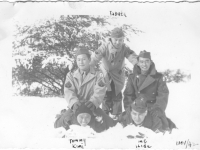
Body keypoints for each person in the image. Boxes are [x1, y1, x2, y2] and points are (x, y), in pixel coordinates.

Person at [54, 47, 116, 133]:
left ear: (89, 59)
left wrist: (93, 102)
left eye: (84, 59)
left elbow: (100, 90)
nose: (81, 62)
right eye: (78, 59)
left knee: (111, 124)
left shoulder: (98, 74)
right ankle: (62, 114)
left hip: (91, 106)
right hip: (76, 106)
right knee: (58, 125)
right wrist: (74, 102)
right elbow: (68, 91)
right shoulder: (71, 75)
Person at [90, 27, 138, 119]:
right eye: (116, 40)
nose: (118, 42)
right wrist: (88, 66)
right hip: (105, 74)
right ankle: (104, 114)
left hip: (118, 75)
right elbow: (95, 57)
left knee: (117, 94)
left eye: (120, 40)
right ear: (111, 39)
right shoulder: (104, 47)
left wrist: (138, 65)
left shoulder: (124, 48)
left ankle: (117, 114)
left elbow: (132, 56)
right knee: (105, 94)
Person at [123, 50, 169, 118]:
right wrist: (130, 110)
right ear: (138, 63)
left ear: (150, 62)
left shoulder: (159, 78)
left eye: (147, 61)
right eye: (141, 62)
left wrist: (157, 111)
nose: (144, 64)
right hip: (136, 111)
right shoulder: (132, 77)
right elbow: (128, 96)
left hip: (152, 111)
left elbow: (163, 96)